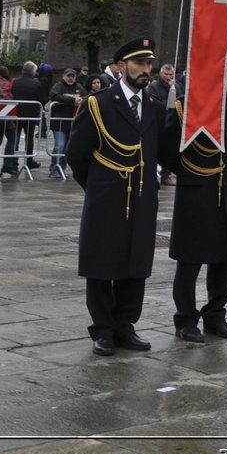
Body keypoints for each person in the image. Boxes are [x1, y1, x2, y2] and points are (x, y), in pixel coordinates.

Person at [66, 38, 163, 356]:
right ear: (121, 66)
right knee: (101, 262)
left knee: (136, 261)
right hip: (108, 196)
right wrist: (99, 185)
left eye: (149, 64)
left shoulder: (153, 106)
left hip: (142, 197)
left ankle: (125, 325)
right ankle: (103, 328)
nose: (145, 70)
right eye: (138, 63)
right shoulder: (99, 103)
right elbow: (77, 154)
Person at [158, 90, 227, 345]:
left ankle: (215, 314)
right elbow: (165, 150)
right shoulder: (185, 105)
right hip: (194, 191)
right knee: (190, 260)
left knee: (225, 259)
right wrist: (189, 172)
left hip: (225, 190)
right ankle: (185, 318)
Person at [47, 68, 85, 178]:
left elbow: (86, 96)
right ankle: (54, 167)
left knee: (67, 148)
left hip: (72, 123)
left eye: (72, 76)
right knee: (59, 146)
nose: (70, 78)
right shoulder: (58, 86)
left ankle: (62, 169)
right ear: (63, 76)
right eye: (68, 76)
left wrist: (81, 100)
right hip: (59, 123)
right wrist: (73, 100)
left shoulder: (78, 87)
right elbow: (54, 95)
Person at [11, 62, 47, 171]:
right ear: (33, 71)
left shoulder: (15, 81)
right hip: (30, 115)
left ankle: (13, 162)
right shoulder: (36, 83)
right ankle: (29, 161)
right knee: (29, 139)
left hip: (16, 114)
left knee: (15, 139)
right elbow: (43, 99)